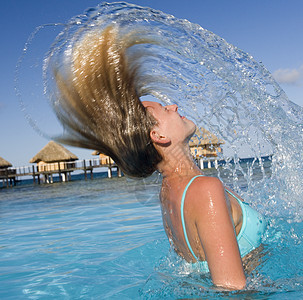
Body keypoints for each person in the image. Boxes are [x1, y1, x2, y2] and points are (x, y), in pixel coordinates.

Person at [50, 25, 266, 290]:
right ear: (159, 136)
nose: (174, 106)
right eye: (164, 109)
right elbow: (234, 291)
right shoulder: (204, 190)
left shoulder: (169, 193)